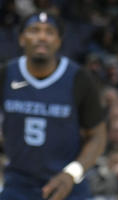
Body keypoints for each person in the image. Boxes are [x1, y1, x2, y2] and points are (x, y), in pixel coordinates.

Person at [1, 12, 106, 200]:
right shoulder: (5, 75)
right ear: (21, 39)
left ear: (58, 42)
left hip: (67, 184)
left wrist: (72, 173)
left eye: (49, 32)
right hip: (18, 184)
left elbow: (98, 135)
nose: (42, 37)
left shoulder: (79, 78)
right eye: (34, 30)